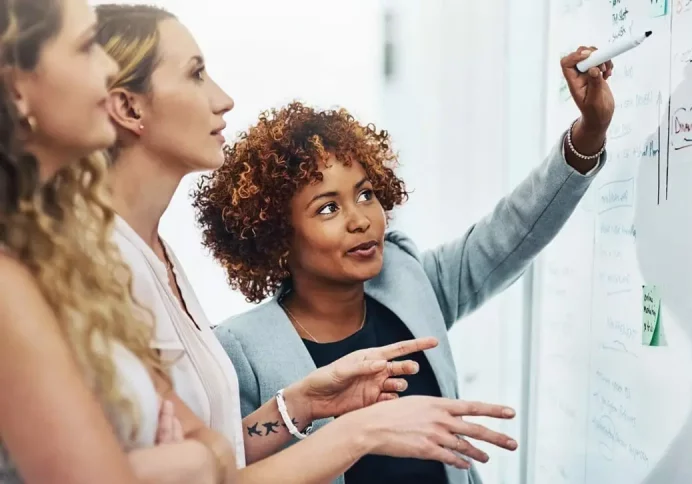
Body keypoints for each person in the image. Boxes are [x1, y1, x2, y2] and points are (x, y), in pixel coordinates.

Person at [96, 4, 520, 483]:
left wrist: (300, 404)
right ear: (128, 107)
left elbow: (218, 454)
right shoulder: (96, 270)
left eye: (365, 195)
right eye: (196, 74)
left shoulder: (159, 257)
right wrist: (362, 431)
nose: (224, 99)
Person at [194, 46, 615, 484]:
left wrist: (590, 132)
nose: (360, 220)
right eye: (326, 209)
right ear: (278, 237)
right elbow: (223, 468)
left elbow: (511, 233)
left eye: (364, 194)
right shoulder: (241, 349)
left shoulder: (406, 279)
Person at [0, 0, 235, 482]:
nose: (107, 70)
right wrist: (190, 462)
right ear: (16, 89)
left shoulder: (58, 258)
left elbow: (213, 444)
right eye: (87, 47)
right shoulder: (9, 283)